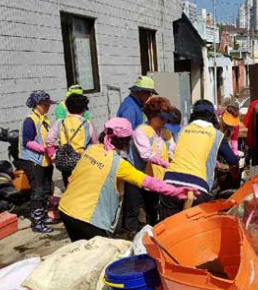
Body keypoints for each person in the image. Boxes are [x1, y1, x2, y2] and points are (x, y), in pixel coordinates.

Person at [58, 118, 197, 242]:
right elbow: (148, 182)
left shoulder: (91, 150)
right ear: (125, 141)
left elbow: (71, 178)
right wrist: (176, 191)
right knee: (98, 259)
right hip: (88, 219)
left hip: (66, 209)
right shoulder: (119, 164)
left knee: (79, 253)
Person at [158, 99, 240, 220]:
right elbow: (232, 160)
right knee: (194, 230)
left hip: (170, 182)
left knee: (167, 229)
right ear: (212, 115)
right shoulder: (216, 134)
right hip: (197, 187)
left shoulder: (182, 130)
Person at [124, 97, 176, 230]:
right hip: (137, 176)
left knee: (153, 210)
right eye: (162, 118)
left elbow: (172, 150)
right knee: (133, 210)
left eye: (166, 118)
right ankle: (130, 235)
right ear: (152, 116)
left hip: (156, 178)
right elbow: (146, 154)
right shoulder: (141, 131)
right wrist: (166, 164)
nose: (165, 121)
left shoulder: (166, 133)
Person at [20, 90, 57, 233]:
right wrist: (43, 149)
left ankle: (43, 215)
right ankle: (37, 222)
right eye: (46, 104)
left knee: (47, 188)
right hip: (34, 160)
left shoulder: (45, 119)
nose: (48, 107)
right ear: (38, 105)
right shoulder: (30, 120)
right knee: (38, 190)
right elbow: (27, 141)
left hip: (45, 160)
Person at [45, 93, 98, 188]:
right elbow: (95, 144)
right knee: (83, 189)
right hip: (83, 162)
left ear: (67, 108)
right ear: (84, 109)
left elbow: (49, 141)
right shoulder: (88, 124)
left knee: (69, 188)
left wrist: (53, 155)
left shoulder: (60, 123)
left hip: (66, 163)